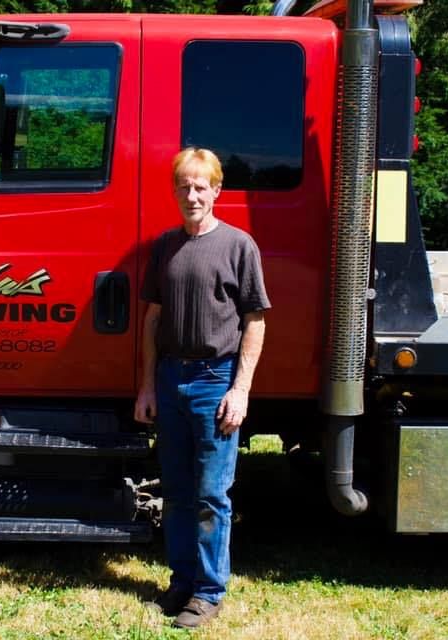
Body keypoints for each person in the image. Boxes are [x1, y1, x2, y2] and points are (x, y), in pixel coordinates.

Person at [134, 147, 270, 629]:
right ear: (174, 191)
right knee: (176, 491)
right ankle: (182, 582)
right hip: (171, 378)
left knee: (213, 494)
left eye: (200, 186)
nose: (192, 195)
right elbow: (151, 320)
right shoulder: (165, 247)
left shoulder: (239, 245)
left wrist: (241, 389)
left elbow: (255, 321)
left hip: (216, 381)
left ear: (217, 191)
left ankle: (209, 592)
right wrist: (147, 386)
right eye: (183, 186)